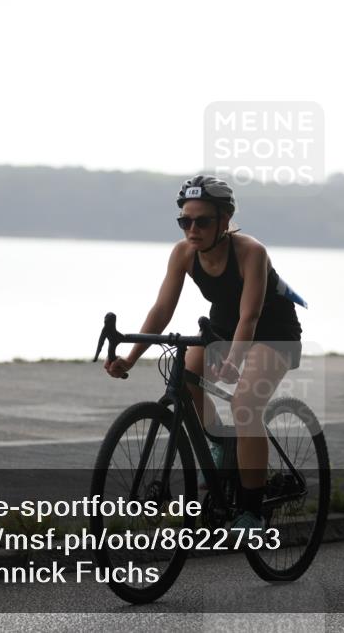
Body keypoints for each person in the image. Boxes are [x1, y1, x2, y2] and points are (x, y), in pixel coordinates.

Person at [104, 175, 305, 531]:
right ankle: (219, 441)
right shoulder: (183, 253)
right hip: (223, 330)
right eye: (185, 221)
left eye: (202, 221)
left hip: (273, 334)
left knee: (245, 404)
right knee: (185, 377)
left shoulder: (251, 252)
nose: (192, 229)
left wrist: (234, 361)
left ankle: (252, 510)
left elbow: (251, 317)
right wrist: (130, 359)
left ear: (224, 222)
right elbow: (161, 311)